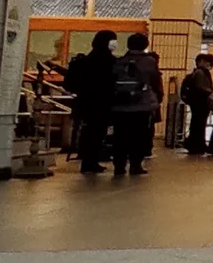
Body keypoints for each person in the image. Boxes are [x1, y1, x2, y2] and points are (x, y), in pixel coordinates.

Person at [111, 32, 165, 176]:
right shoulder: (149, 61)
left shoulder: (120, 60)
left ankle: (119, 165)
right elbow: (154, 82)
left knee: (120, 136)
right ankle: (135, 165)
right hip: (141, 105)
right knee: (139, 136)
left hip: (120, 106)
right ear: (145, 45)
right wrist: (157, 99)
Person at [66, 30, 118, 174]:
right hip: (103, 102)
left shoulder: (86, 60)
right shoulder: (110, 61)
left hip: (86, 102)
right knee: (97, 133)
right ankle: (91, 162)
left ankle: (88, 161)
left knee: (89, 131)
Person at [182, 53, 213, 154]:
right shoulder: (200, 73)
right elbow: (202, 88)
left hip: (197, 103)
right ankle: (196, 145)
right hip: (200, 103)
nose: (210, 66)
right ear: (200, 61)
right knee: (198, 124)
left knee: (197, 123)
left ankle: (197, 144)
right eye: (208, 63)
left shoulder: (200, 72)